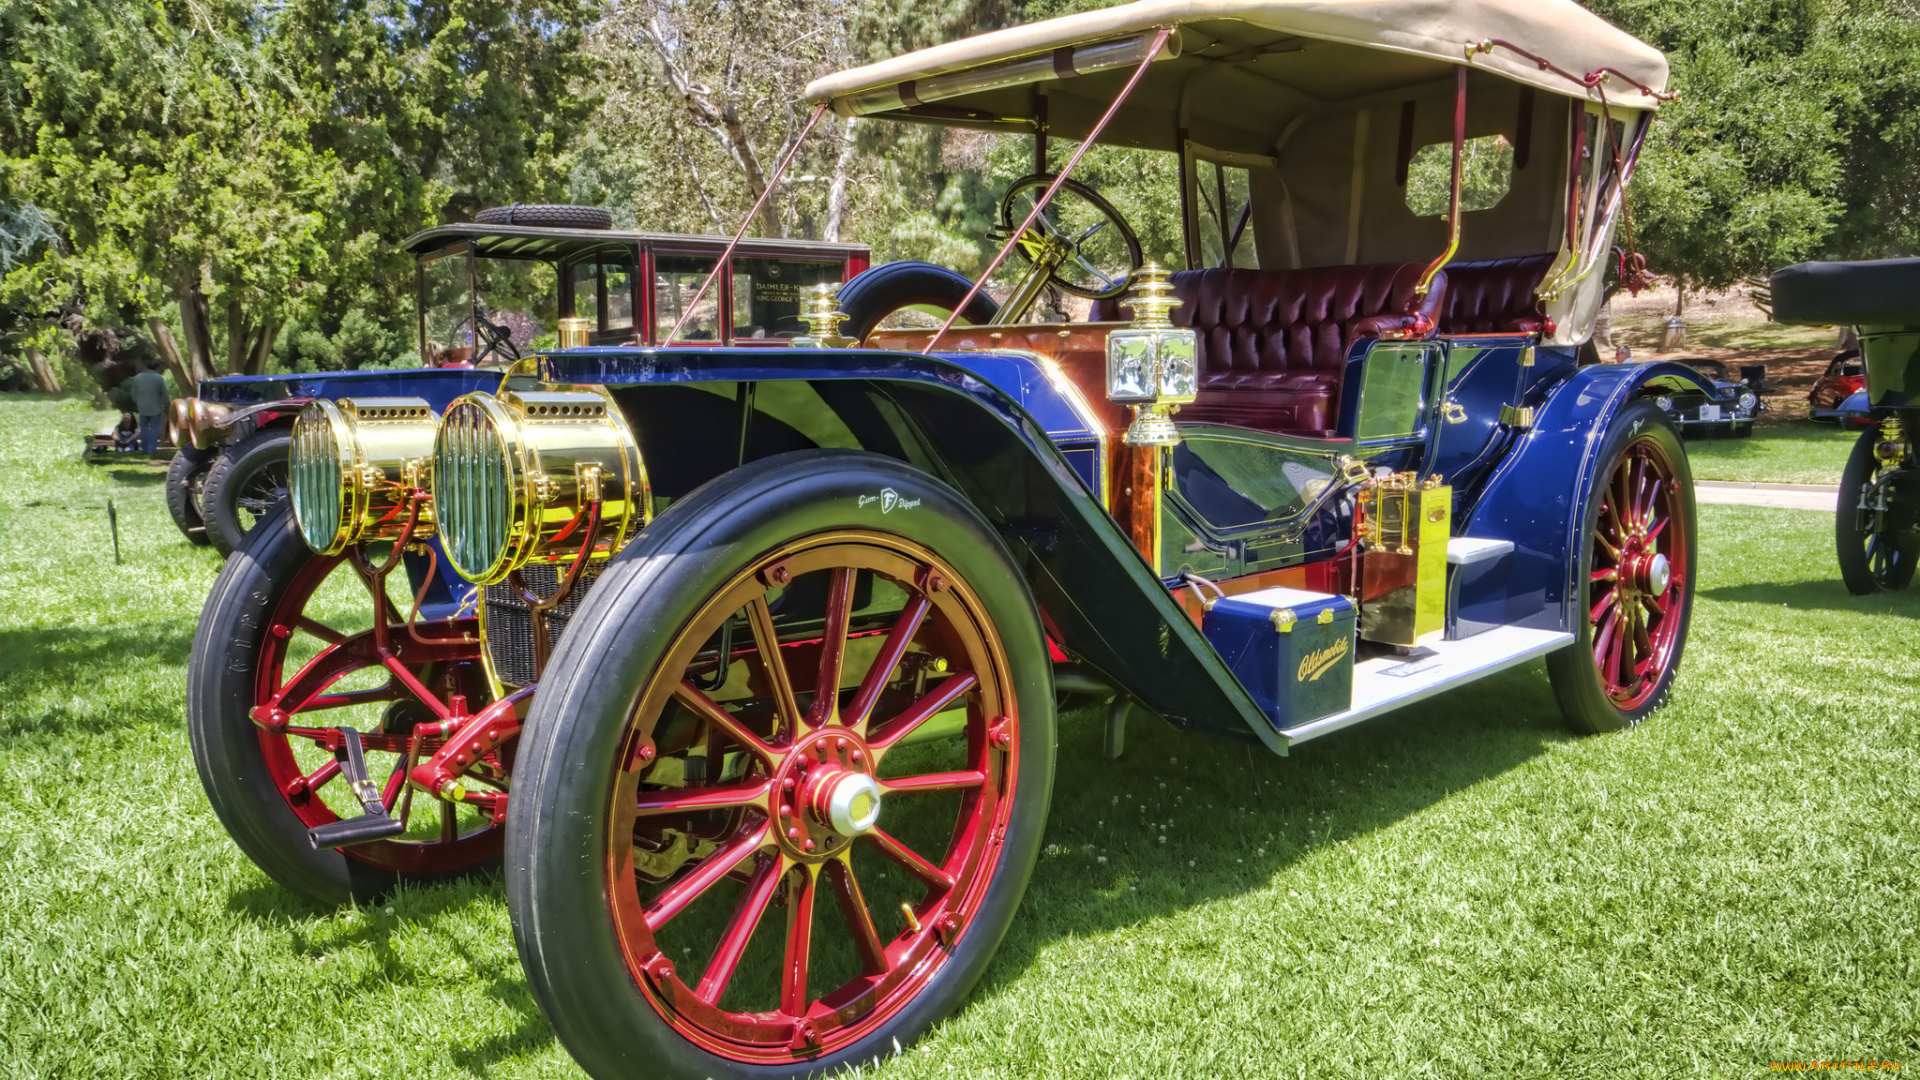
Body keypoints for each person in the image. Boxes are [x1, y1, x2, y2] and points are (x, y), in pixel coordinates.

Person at [127, 360, 170, 453]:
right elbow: (164, 394)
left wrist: (137, 401)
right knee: (154, 428)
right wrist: (166, 405)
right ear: (157, 367)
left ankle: (144, 447)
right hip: (156, 406)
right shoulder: (159, 378)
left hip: (142, 406)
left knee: (144, 428)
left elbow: (133, 392)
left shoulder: (138, 378)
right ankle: (151, 448)